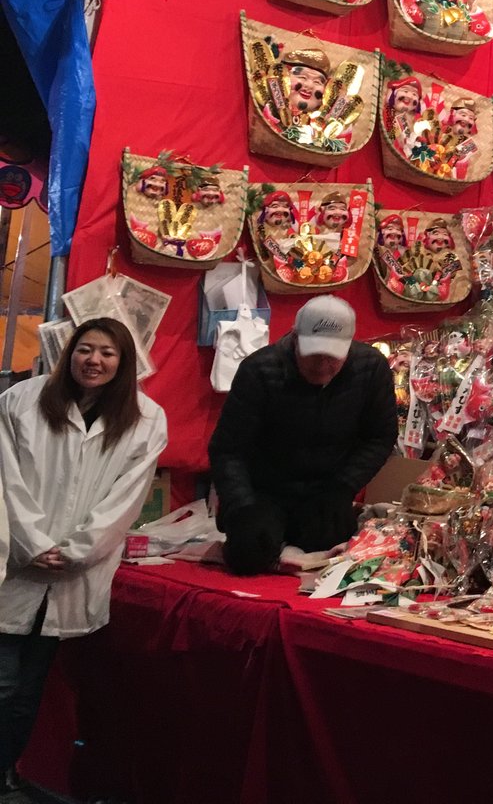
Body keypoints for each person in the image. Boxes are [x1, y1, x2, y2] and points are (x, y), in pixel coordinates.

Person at [0, 318, 166, 786]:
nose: (94, 361)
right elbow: (5, 478)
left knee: (27, 690)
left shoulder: (147, 419)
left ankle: (7, 775)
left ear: (124, 361)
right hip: (12, 562)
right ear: (68, 352)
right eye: (85, 349)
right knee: (3, 683)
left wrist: (77, 551)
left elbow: (126, 499)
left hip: (71, 573)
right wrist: (30, 542)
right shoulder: (21, 401)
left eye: (107, 353)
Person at [209, 297, 396, 575]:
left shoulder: (371, 369)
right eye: (313, 354)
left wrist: (343, 487)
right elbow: (228, 449)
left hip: (326, 489)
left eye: (332, 357)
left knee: (332, 550)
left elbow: (380, 436)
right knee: (248, 553)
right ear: (295, 338)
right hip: (265, 489)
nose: (322, 365)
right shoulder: (260, 369)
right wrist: (241, 504)